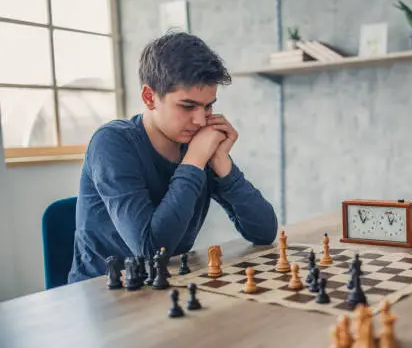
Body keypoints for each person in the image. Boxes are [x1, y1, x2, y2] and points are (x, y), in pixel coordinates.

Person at [68, 32, 278, 283]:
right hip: (103, 296)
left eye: (208, 106)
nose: (201, 120)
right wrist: (195, 160)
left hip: (167, 288)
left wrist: (223, 165)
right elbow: (151, 250)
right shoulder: (111, 143)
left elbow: (265, 232)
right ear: (149, 97)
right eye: (187, 106)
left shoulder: (195, 141)